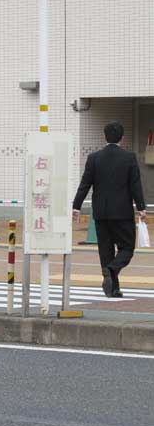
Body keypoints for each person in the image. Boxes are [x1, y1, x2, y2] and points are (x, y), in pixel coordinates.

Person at [72, 122, 146, 297]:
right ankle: (112, 270)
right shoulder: (129, 157)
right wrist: (141, 207)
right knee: (127, 247)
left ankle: (113, 287)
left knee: (105, 250)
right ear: (122, 138)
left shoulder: (94, 158)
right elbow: (135, 185)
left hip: (101, 212)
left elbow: (85, 185)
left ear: (104, 137)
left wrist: (76, 206)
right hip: (122, 212)